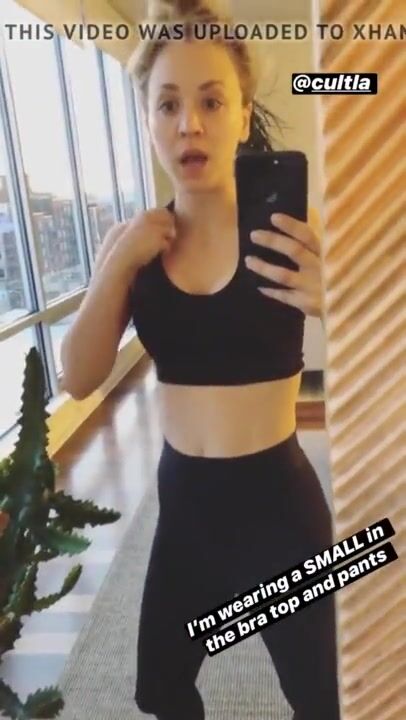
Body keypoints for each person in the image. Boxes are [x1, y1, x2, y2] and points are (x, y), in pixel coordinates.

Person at [61, 1, 341, 718]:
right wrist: (116, 266)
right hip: (185, 504)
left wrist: (336, 302)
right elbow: (78, 377)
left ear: (243, 116)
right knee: (161, 688)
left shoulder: (293, 233)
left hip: (281, 507)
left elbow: (380, 353)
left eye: (212, 102)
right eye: (168, 104)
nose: (189, 122)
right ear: (148, 120)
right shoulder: (132, 247)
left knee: (321, 699)